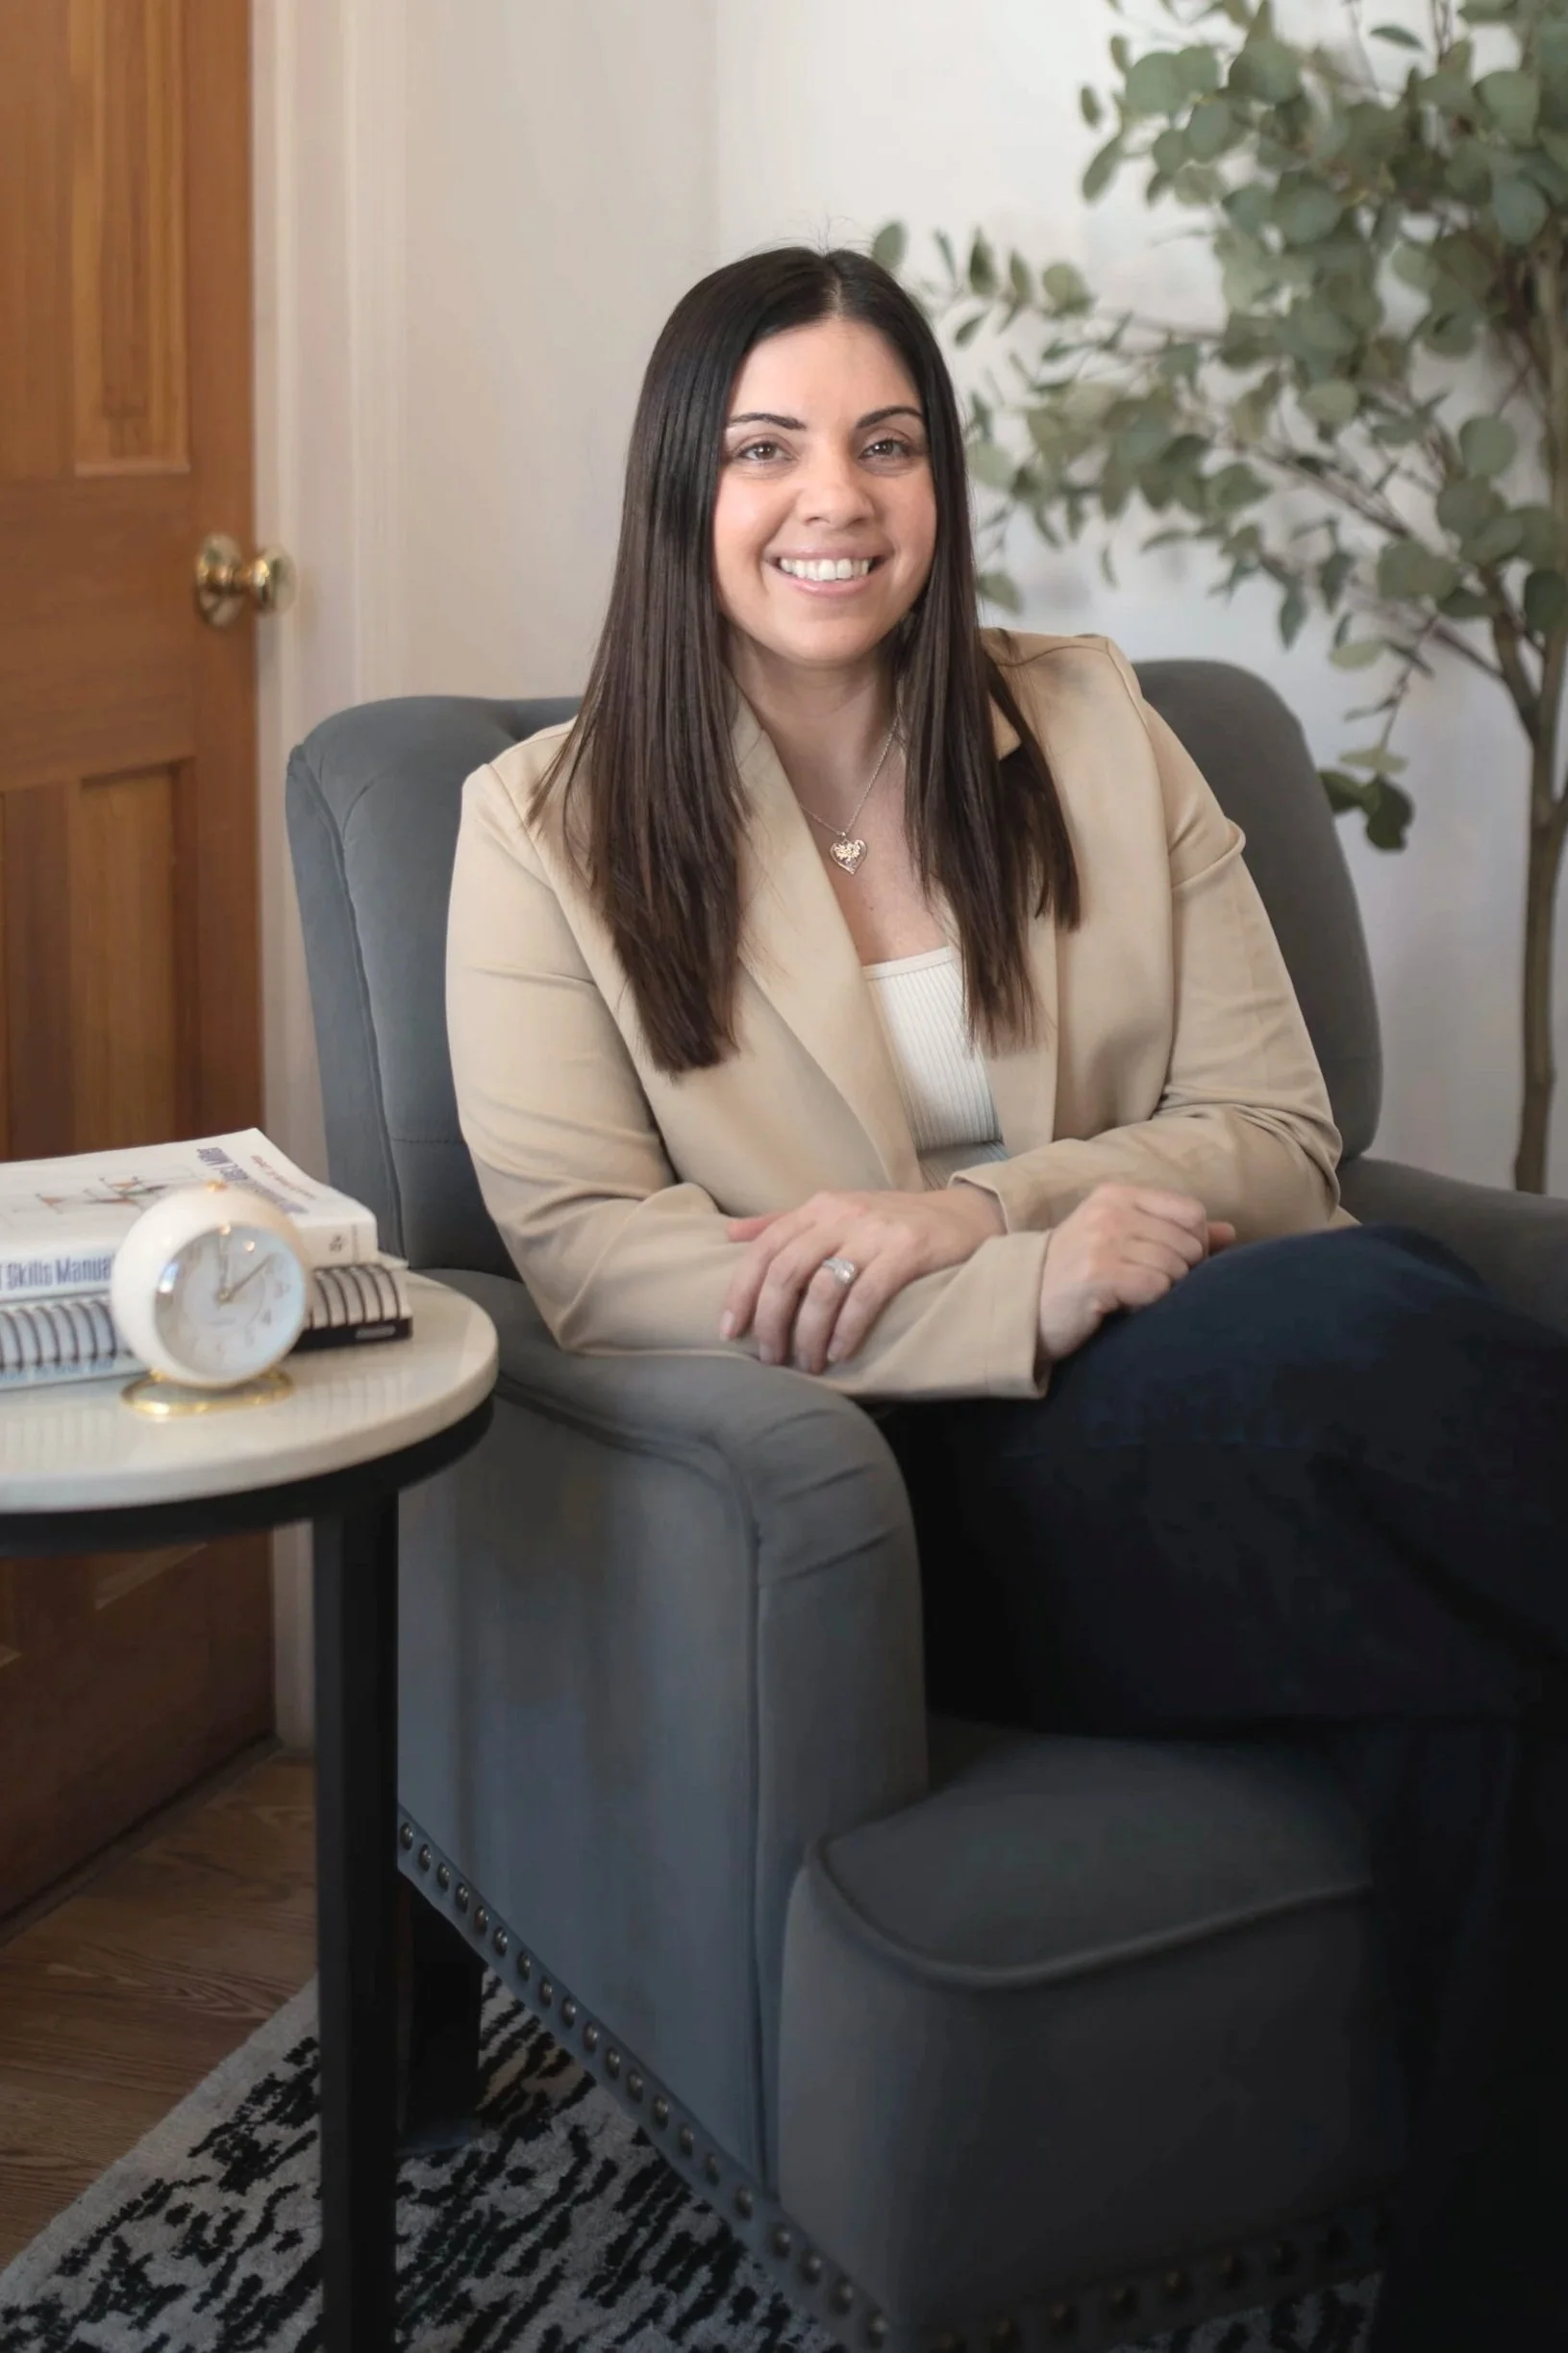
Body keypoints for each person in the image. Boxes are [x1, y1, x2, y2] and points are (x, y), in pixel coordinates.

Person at [445, 245, 1568, 2352]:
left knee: (1468, 1659)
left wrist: (989, 1216)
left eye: (886, 444)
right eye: (768, 450)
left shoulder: (1087, 718)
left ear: (940, 485)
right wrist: (1018, 1292)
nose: (833, 500)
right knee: (1355, 1326)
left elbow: (1273, 1131)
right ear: (682, 488)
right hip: (899, 1489)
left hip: (1242, 1388)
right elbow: (593, 1252)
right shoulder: (542, 826)